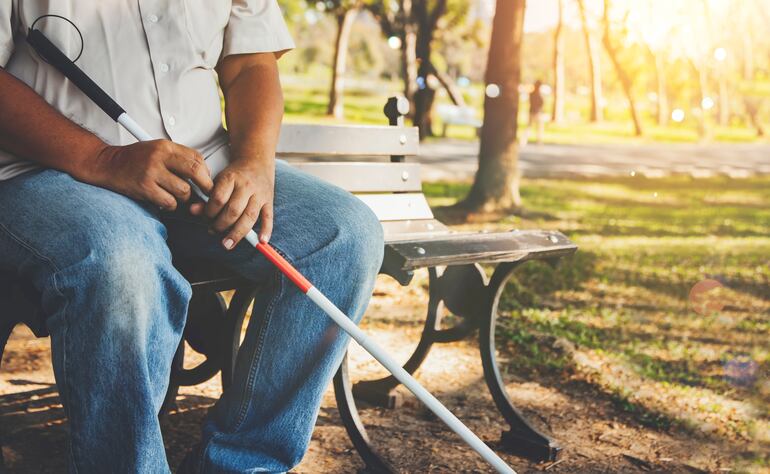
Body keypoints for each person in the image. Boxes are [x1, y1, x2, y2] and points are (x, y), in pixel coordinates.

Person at [0, 2, 383, 473]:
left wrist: (255, 162)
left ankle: (244, 465)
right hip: (52, 170)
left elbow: (250, 62)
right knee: (122, 261)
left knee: (343, 235)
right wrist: (103, 160)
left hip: (203, 165)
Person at [524, 79, 545, 145]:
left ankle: (524, 141)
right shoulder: (539, 95)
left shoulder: (532, 94)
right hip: (537, 112)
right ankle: (539, 142)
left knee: (529, 127)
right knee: (538, 129)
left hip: (532, 112)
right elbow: (541, 104)